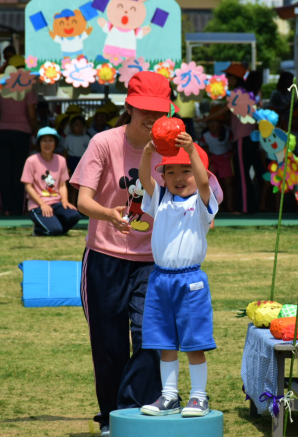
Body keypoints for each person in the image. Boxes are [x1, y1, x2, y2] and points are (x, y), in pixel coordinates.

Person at [69, 71, 172, 436]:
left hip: (152, 261)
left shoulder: (172, 146)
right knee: (109, 344)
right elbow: (81, 200)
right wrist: (109, 214)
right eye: (144, 109)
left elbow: (200, 189)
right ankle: (111, 419)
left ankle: (135, 411)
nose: (151, 118)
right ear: (129, 106)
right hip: (104, 258)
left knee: (150, 337)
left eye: (159, 111)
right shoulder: (104, 142)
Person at [138, 133, 218, 418]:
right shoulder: (159, 199)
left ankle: (199, 397)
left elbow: (205, 182)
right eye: (170, 171)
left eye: (186, 171)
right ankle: (170, 396)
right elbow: (145, 179)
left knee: (194, 342)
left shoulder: (202, 203)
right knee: (164, 342)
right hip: (160, 280)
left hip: (190, 282)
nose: (178, 177)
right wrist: (149, 152)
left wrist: (191, 151)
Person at [198, 63, 258, 214]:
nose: (227, 80)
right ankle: (247, 206)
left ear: (235, 78)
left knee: (243, 175)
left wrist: (205, 120)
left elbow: (224, 109)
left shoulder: (238, 92)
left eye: (229, 77)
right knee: (243, 173)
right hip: (246, 137)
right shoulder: (244, 92)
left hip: (243, 137)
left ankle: (245, 208)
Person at [0, 55, 38, 215]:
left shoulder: (2, 86)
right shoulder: (27, 87)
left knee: (5, 170)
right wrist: (34, 129)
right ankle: (19, 208)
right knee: (20, 170)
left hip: (4, 132)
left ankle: (6, 209)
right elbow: (31, 114)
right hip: (22, 132)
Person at [21, 127, 81, 236]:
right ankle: (40, 230)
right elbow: (28, 186)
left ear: (55, 143)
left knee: (74, 215)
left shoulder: (61, 160)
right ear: (39, 143)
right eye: (44, 140)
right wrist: (42, 204)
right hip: (37, 205)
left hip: (56, 203)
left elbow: (62, 185)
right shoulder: (31, 161)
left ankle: (54, 226)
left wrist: (65, 201)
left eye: (50, 140)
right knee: (55, 231)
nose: (47, 144)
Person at [198, 108, 235, 213]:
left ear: (220, 123)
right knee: (212, 183)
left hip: (226, 159)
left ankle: (230, 206)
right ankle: (215, 206)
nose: (212, 125)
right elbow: (203, 150)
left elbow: (233, 146)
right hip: (213, 159)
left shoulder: (227, 133)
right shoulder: (205, 136)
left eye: (215, 122)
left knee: (229, 183)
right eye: (210, 122)